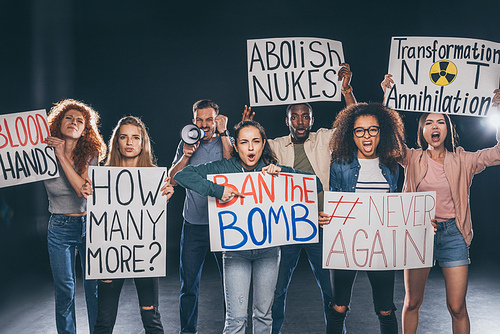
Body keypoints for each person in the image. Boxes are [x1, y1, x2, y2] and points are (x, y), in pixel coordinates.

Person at [174, 120, 322, 334]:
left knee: (264, 316)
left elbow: (315, 183)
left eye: (255, 141)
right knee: (235, 319)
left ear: (263, 144)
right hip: (236, 253)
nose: (250, 147)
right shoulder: (224, 168)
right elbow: (181, 175)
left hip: (269, 253)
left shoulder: (273, 171)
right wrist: (216, 189)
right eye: (244, 142)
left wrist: (283, 176)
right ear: (236, 146)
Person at [242, 63, 357, 333]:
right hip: (287, 228)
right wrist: (245, 124)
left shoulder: (325, 139)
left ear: (312, 120)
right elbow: (247, 149)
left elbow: (354, 120)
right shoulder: (274, 145)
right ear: (288, 120)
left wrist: (346, 89)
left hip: (321, 226)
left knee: (331, 292)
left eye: (305, 116)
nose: (301, 121)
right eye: (295, 116)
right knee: (277, 290)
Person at [382, 74, 500, 334]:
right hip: (418, 234)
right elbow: (389, 141)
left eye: (441, 122)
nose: (435, 127)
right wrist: (389, 98)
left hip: (454, 236)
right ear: (423, 130)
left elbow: (498, 153)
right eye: (429, 122)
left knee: (457, 307)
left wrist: (498, 110)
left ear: (448, 129)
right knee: (412, 303)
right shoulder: (411, 158)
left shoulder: (464, 160)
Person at [326, 102, 406, 333]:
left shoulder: (391, 166)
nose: (366, 135)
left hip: (380, 246)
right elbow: (336, 205)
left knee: (385, 309)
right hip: (347, 244)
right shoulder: (339, 165)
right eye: (359, 130)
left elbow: (396, 207)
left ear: (382, 132)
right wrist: (326, 217)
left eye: (373, 129)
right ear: (351, 134)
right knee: (339, 307)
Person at [90, 116, 174, 334]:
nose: (129, 142)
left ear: (142, 142)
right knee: (104, 321)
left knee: (151, 318)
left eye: (135, 137)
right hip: (110, 254)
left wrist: (165, 196)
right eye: (123, 137)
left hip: (144, 254)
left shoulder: (156, 178)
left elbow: (154, 218)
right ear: (116, 142)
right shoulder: (101, 177)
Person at [168, 99, 233, 334]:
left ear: (217, 120)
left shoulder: (227, 141)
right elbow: (172, 180)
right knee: (189, 285)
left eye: (209, 119)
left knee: (230, 285)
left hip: (224, 224)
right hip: (194, 224)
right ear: (193, 120)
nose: (204, 125)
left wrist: (225, 134)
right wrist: (185, 156)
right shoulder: (186, 143)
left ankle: (232, 328)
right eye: (199, 119)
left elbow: (230, 167)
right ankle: (187, 330)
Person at [44, 98, 107, 334]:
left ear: (85, 130)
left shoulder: (90, 153)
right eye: (68, 118)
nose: (73, 122)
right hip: (59, 226)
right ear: (58, 123)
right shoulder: (41, 154)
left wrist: (62, 156)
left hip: (89, 224)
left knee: (94, 289)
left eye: (80, 121)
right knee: (65, 290)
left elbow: (82, 189)